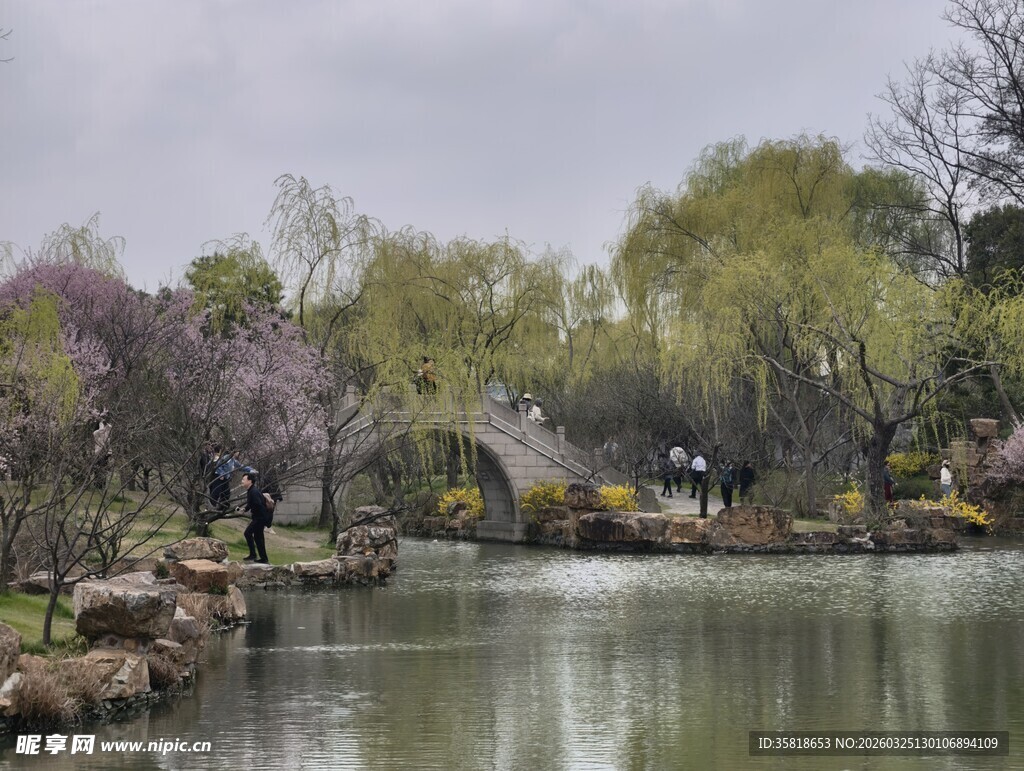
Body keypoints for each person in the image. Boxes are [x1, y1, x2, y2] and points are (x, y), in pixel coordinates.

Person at [238, 472, 271, 564]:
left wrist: (253, 512)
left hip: (260, 517)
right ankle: (264, 558)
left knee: (248, 533)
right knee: (258, 537)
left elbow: (257, 504)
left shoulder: (254, 491)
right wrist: (245, 509)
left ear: (250, 481)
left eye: (244, 480)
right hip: (259, 517)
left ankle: (253, 554)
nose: (242, 481)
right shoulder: (251, 490)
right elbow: (251, 503)